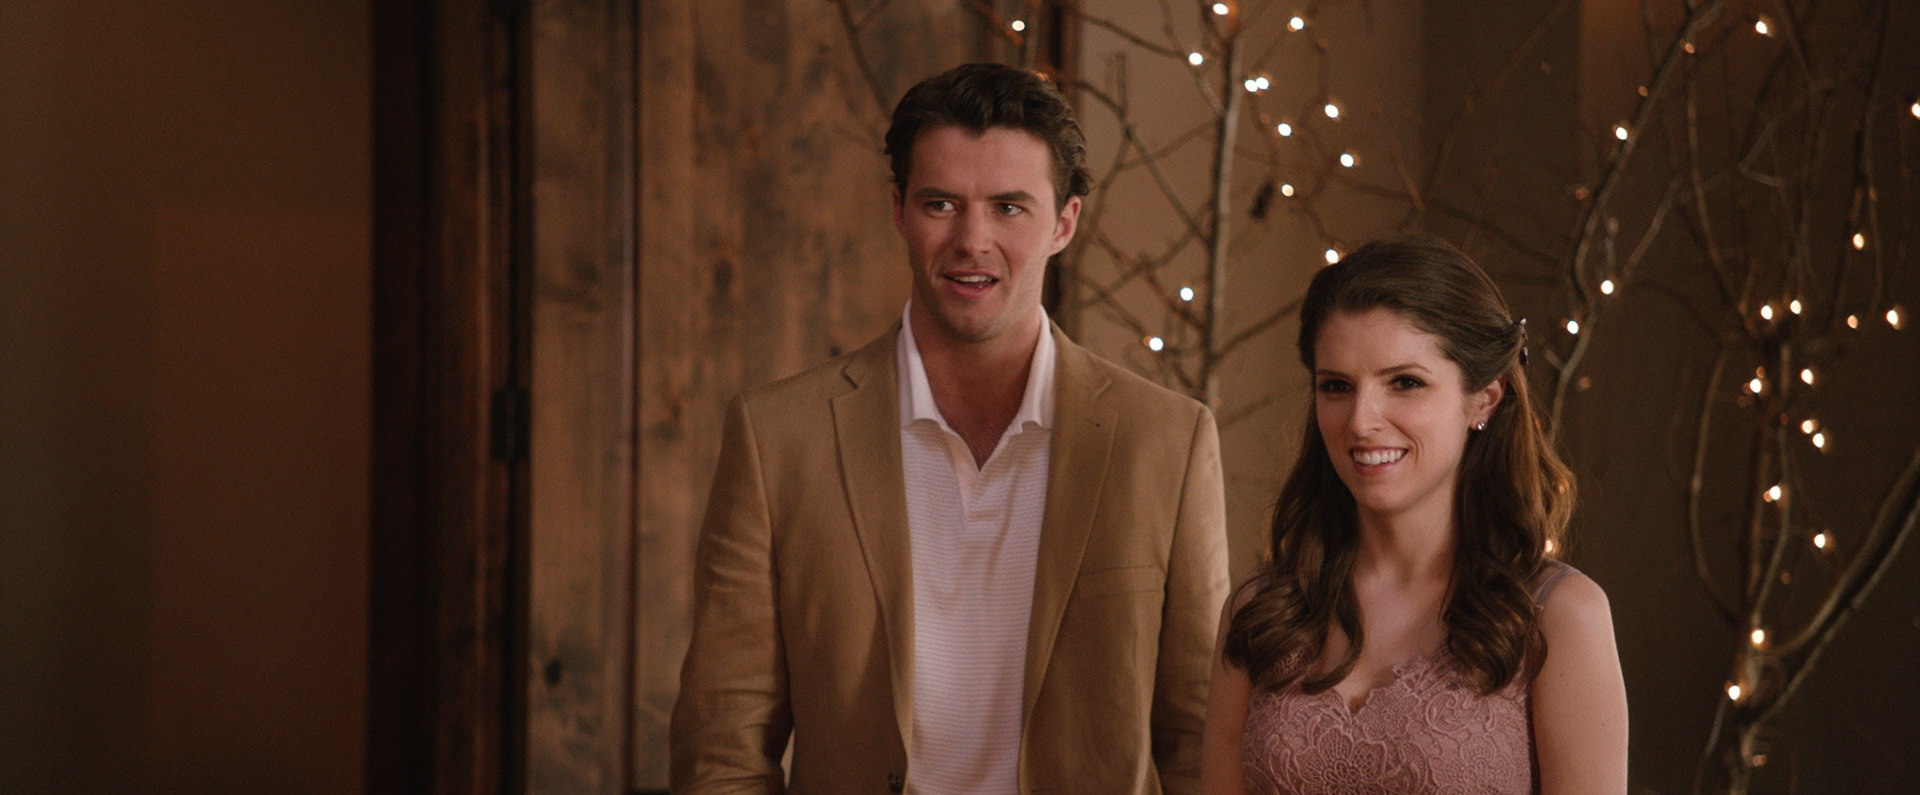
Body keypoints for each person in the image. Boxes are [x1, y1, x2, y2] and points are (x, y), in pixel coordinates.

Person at [671, 62, 1230, 795]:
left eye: (1009, 207)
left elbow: (1202, 742)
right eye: (941, 204)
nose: (972, 239)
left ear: (1064, 223)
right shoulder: (778, 439)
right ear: (899, 210)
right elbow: (721, 748)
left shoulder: (1166, 442)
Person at [1198, 238, 1628, 794]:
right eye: (1337, 387)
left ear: (1485, 399)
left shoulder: (1559, 616)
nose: (1361, 420)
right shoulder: (1261, 611)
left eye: (1405, 382)